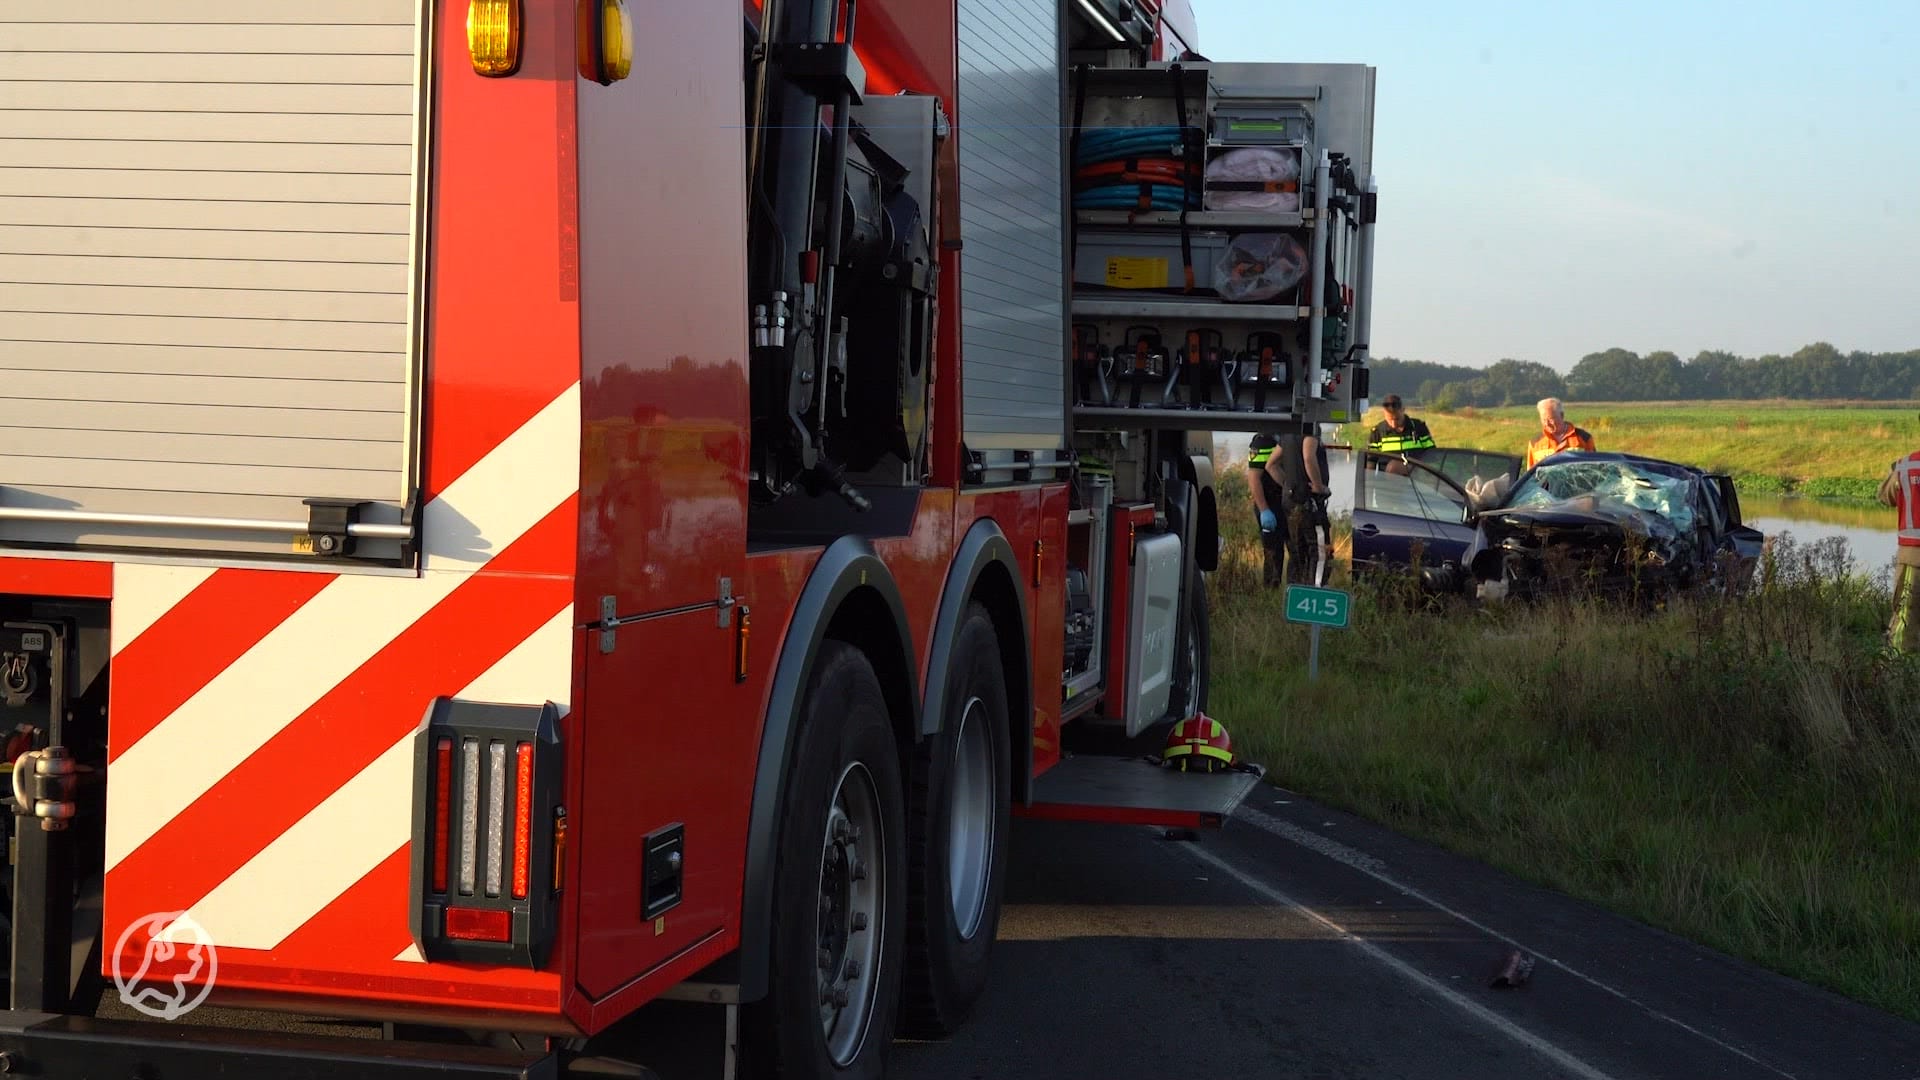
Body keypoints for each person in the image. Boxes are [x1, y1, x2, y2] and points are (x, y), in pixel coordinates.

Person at [1252, 422, 1332, 586]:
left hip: (1290, 502)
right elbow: (1308, 457)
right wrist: (1318, 486)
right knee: (1321, 551)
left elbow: (1271, 465)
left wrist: (1288, 486)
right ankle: (1316, 596)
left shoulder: (1287, 434)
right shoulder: (1311, 429)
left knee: (1297, 552)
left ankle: (1294, 596)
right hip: (1309, 503)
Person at [1877, 436, 1920, 652]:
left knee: (1905, 620)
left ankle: (1899, 675)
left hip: (1913, 557)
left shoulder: (1906, 465)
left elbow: (1885, 497)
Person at [1246, 429, 1289, 587]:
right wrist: (1264, 509)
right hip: (1268, 503)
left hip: (1284, 502)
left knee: (1291, 549)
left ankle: (1291, 588)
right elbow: (1253, 478)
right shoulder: (1263, 441)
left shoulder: (1284, 437)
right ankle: (1270, 589)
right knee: (1273, 551)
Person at [1366, 393, 1435, 475]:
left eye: (1397, 419)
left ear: (1403, 410)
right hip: (1387, 483)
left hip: (1417, 480)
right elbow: (1370, 462)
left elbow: (1432, 455)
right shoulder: (1377, 433)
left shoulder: (1419, 428)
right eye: (1390, 419)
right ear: (1384, 414)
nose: (1394, 423)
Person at [1523, 397, 1595, 470]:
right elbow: (1530, 475)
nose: (1547, 424)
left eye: (1550, 419)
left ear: (1562, 415)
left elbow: (1594, 468)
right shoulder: (1535, 443)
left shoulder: (1584, 438)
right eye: (1544, 420)